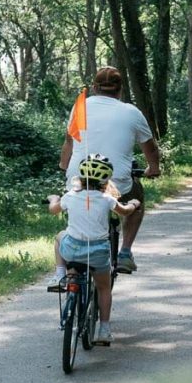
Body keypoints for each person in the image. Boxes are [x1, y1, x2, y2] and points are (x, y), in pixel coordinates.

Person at [60, 66, 160, 273]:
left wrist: (63, 166)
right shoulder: (131, 112)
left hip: (78, 178)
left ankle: (72, 252)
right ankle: (124, 253)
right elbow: (150, 148)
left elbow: (69, 142)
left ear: (95, 87)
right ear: (120, 89)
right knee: (136, 201)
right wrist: (153, 168)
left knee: (76, 198)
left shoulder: (80, 107)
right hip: (116, 183)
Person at [47, 154, 141, 344]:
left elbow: (54, 210)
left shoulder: (70, 195)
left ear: (80, 177)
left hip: (73, 249)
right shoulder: (107, 199)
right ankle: (104, 330)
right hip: (98, 253)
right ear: (106, 180)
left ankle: (59, 276)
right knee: (103, 287)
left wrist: (53, 198)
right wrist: (133, 203)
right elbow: (125, 211)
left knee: (59, 237)